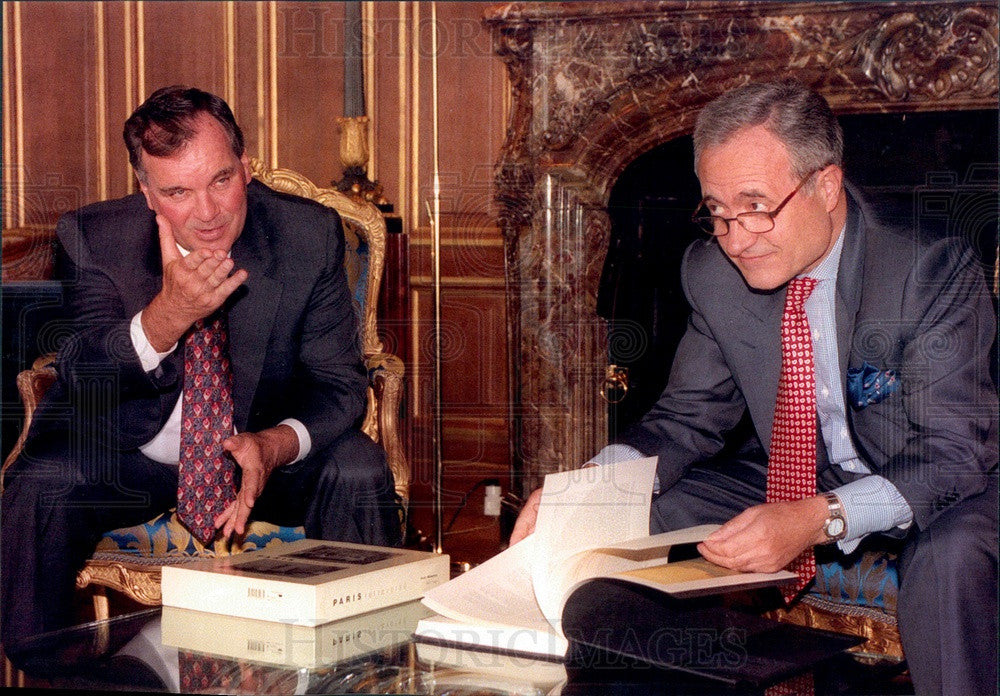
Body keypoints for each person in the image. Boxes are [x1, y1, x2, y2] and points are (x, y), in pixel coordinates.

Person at [511, 81, 997, 695]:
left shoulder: (927, 268)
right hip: (799, 472)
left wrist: (818, 519)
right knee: (619, 529)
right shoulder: (712, 273)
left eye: (756, 206)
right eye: (717, 212)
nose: (737, 239)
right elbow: (687, 417)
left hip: (952, 480)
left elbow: (954, 455)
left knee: (949, 561)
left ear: (825, 186)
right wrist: (588, 492)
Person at [1, 86, 402, 649]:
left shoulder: (305, 233)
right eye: (178, 192)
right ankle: (39, 670)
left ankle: (371, 661)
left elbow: (338, 385)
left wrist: (275, 444)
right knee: (43, 481)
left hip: (260, 455)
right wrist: (166, 318)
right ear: (146, 192)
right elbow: (85, 376)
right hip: (130, 454)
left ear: (244, 164)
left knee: (356, 467)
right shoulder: (96, 236)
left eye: (221, 179)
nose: (209, 213)